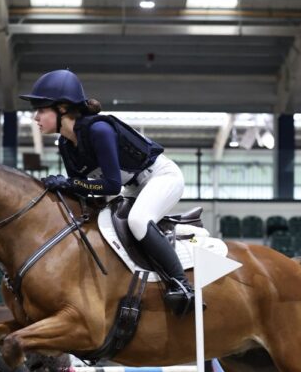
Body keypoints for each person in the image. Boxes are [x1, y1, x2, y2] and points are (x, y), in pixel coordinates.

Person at [19, 69, 196, 316]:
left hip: (161, 177)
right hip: (133, 186)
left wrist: (69, 183)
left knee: (137, 221)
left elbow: (111, 185)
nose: (36, 117)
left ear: (62, 109)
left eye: (41, 110)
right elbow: (84, 190)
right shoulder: (65, 144)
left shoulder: (98, 130)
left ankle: (182, 284)